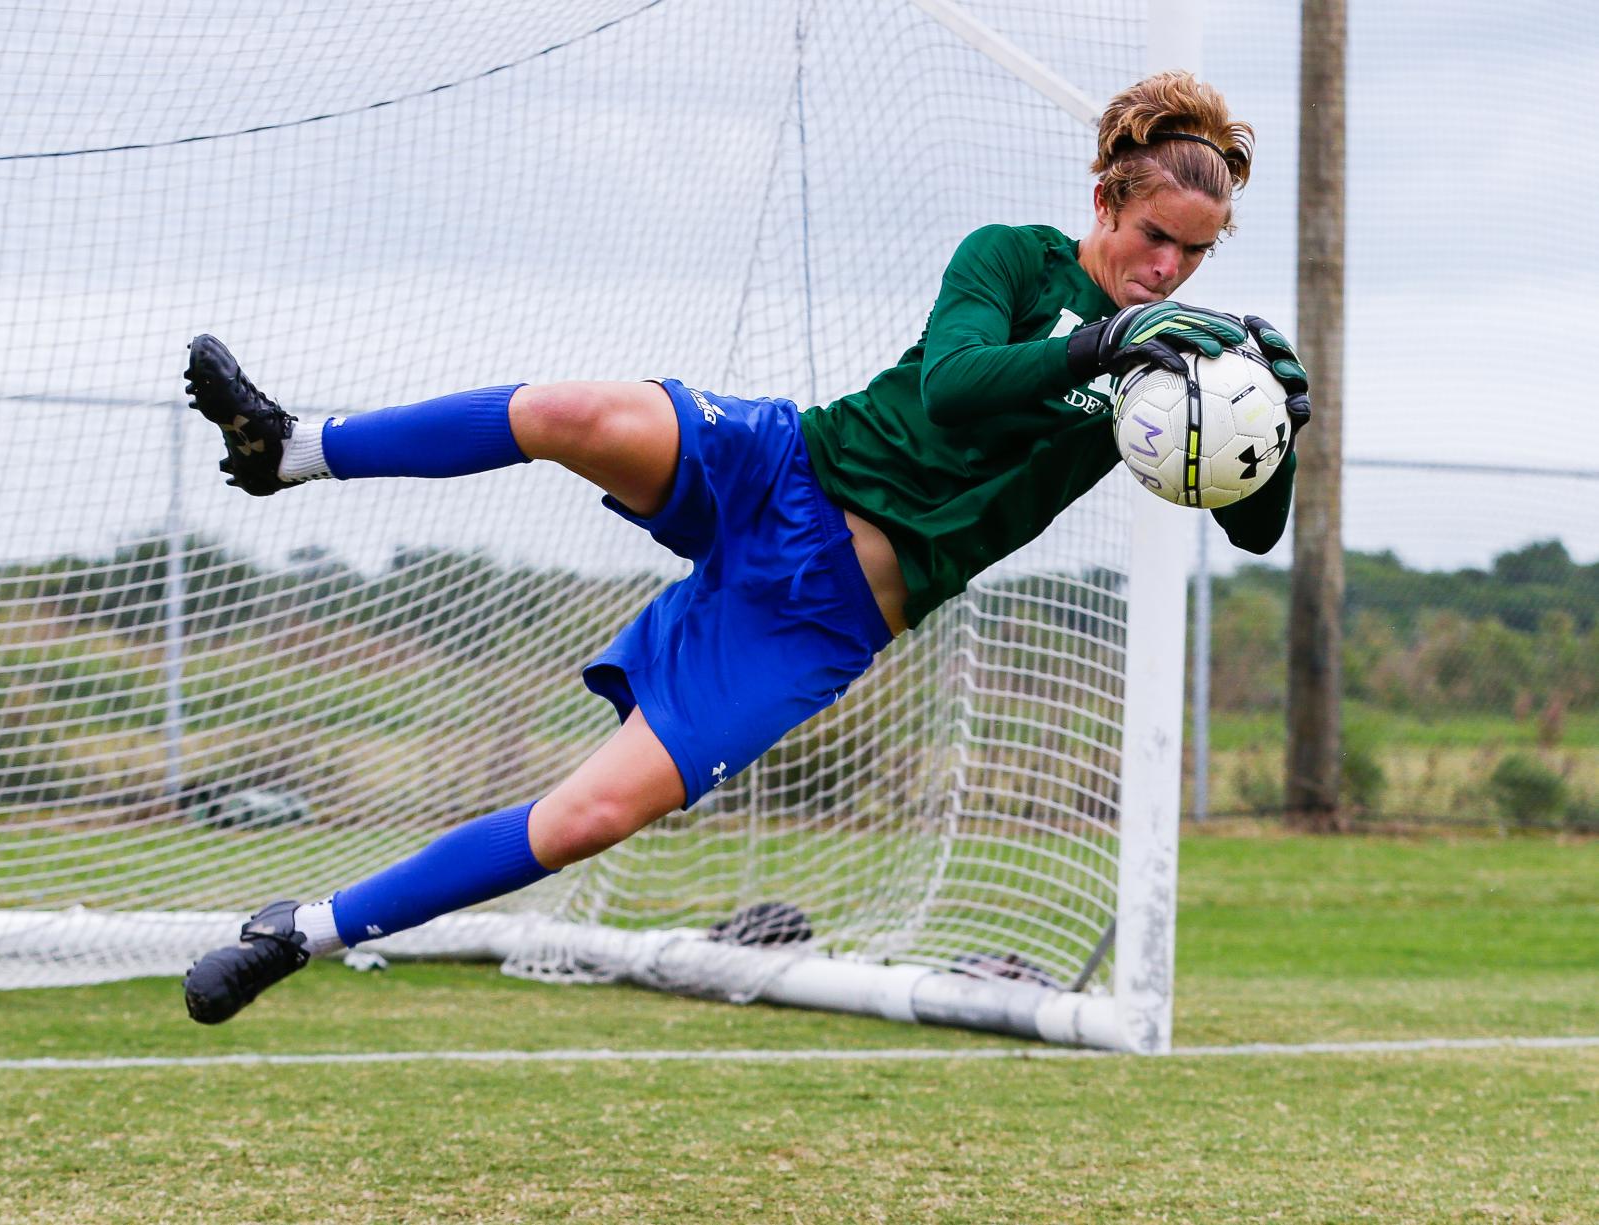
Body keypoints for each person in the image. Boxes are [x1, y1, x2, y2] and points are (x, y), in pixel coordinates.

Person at [182, 70, 1309, 1023]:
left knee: (590, 816)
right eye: (1154, 236)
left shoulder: (1178, 373)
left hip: (821, 614)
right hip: (781, 467)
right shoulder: (1012, 260)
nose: (1167, 269)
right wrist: (1102, 343)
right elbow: (957, 389)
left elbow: (1252, 528)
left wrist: (1277, 432)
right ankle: (291, 447)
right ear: (1106, 197)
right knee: (574, 413)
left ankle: (302, 931)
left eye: (1192, 256)